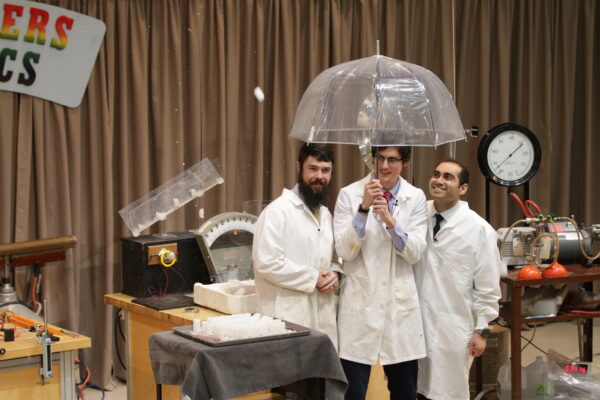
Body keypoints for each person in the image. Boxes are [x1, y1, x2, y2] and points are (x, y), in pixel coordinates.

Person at [333, 145, 428, 400]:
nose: (385, 166)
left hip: (399, 309)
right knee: (353, 392)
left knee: (405, 392)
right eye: (380, 158)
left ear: (405, 162)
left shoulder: (415, 197)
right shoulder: (349, 194)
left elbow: (415, 252)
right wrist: (363, 208)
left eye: (393, 160)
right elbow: (344, 250)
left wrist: (390, 221)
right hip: (359, 306)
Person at [414, 159, 502, 400]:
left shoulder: (479, 230)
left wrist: (481, 330)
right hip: (413, 324)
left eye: (448, 177)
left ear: (463, 188)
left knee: (447, 391)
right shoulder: (416, 214)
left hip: (453, 328)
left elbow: (488, 286)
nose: (439, 181)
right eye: (436, 174)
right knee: (413, 389)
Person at [252, 143, 340, 348]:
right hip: (285, 321)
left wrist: (334, 275)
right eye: (313, 169)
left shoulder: (325, 215)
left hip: (322, 321)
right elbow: (267, 263)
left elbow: (327, 260)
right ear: (299, 167)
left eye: (326, 170)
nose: (320, 176)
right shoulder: (277, 212)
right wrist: (314, 278)